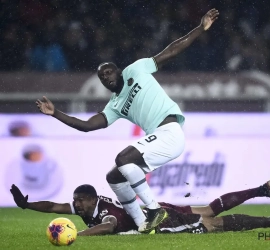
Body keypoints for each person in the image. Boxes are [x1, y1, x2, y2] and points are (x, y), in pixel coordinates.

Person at [35, 9, 220, 233]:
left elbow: (171, 51)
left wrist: (200, 28)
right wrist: (56, 113)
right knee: (113, 176)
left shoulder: (137, 69)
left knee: (123, 159)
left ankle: (154, 210)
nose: (106, 77)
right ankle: (142, 224)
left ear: (119, 71)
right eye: (102, 77)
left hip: (170, 132)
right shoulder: (114, 105)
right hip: (159, 139)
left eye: (109, 72)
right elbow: (87, 126)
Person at [10, 180, 270, 235]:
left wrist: (77, 236)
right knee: (208, 211)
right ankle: (261, 190)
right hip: (154, 209)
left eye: (80, 201)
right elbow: (53, 205)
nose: (75, 205)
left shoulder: (104, 213)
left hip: (162, 218)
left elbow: (108, 226)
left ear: (93, 199)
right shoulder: (87, 209)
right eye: (75, 202)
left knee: (212, 223)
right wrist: (26, 205)